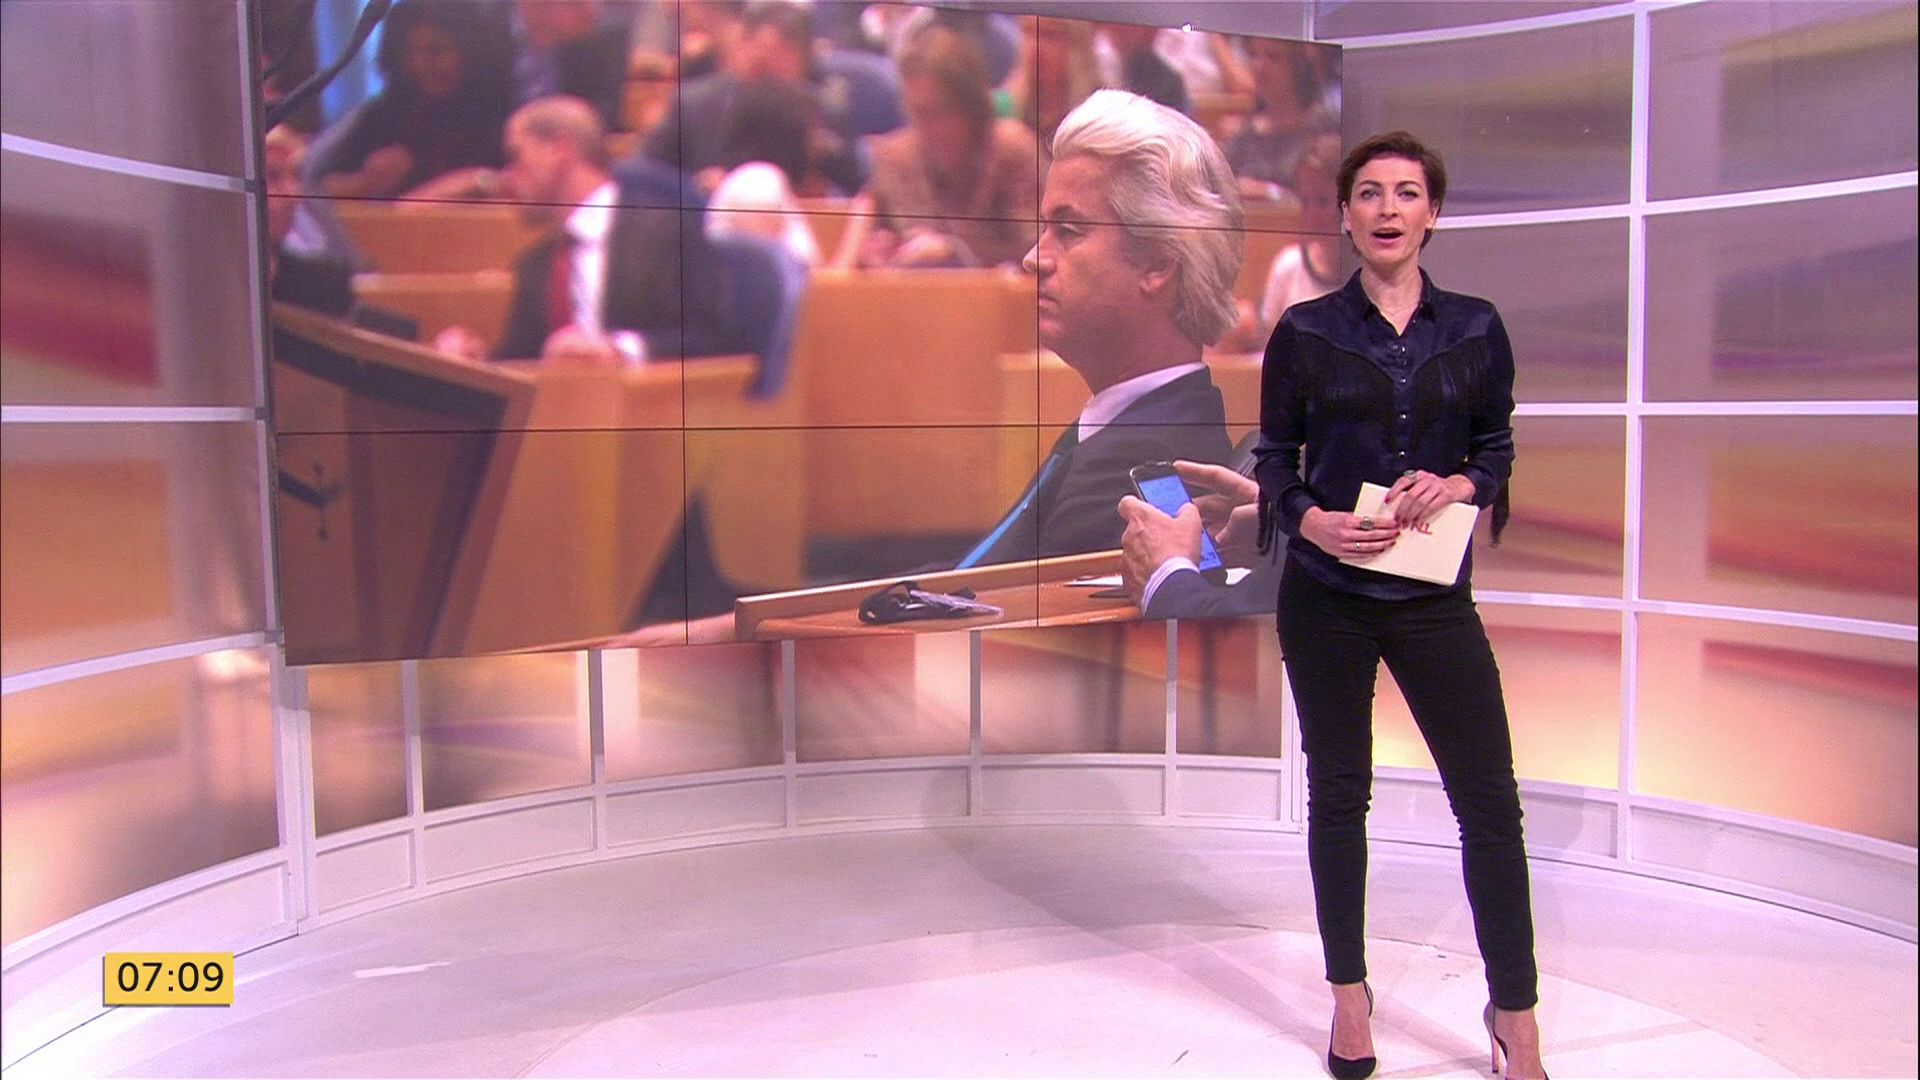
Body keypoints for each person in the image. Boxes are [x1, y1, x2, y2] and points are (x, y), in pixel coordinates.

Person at [1252, 131, 1545, 1079]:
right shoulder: (1305, 331)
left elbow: (1495, 445)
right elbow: (1273, 458)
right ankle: (1349, 997)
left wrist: (1460, 484)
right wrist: (1312, 522)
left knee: (1489, 804)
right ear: (1345, 215)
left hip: (1431, 599)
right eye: (1370, 192)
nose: (1388, 209)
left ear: (1433, 214)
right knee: (1340, 798)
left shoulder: (1477, 327)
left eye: (1407, 193)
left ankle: (1515, 1015)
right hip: (1327, 597)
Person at [953, 89, 1243, 569]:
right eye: (1045, 229)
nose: (1034, 258)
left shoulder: (1139, 468)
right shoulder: (1130, 428)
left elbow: (983, 604)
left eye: (1069, 231)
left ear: (1158, 263)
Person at [431, 96, 730, 364]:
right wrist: (478, 359)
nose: (507, 178)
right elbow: (526, 363)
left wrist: (619, 350)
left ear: (559, 151)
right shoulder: (535, 265)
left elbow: (713, 338)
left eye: (515, 157)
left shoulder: (669, 233)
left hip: (648, 403)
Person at [837, 25, 1039, 270]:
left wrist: (956, 253)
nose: (927, 128)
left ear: (971, 106)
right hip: (913, 294)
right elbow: (854, 264)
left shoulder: (1012, 150)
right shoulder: (895, 159)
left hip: (999, 294)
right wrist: (876, 253)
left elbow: (1039, 253)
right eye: (917, 112)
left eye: (939, 111)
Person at [304, 0, 514, 199]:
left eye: (435, 51)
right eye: (409, 54)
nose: (419, 65)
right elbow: (314, 186)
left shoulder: (504, 115)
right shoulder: (384, 114)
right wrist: (365, 183)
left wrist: (478, 183)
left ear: (472, 51)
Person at [511, 0, 631, 130]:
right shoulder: (495, 38)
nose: (592, 12)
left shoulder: (603, 42)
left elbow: (605, 112)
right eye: (575, 3)